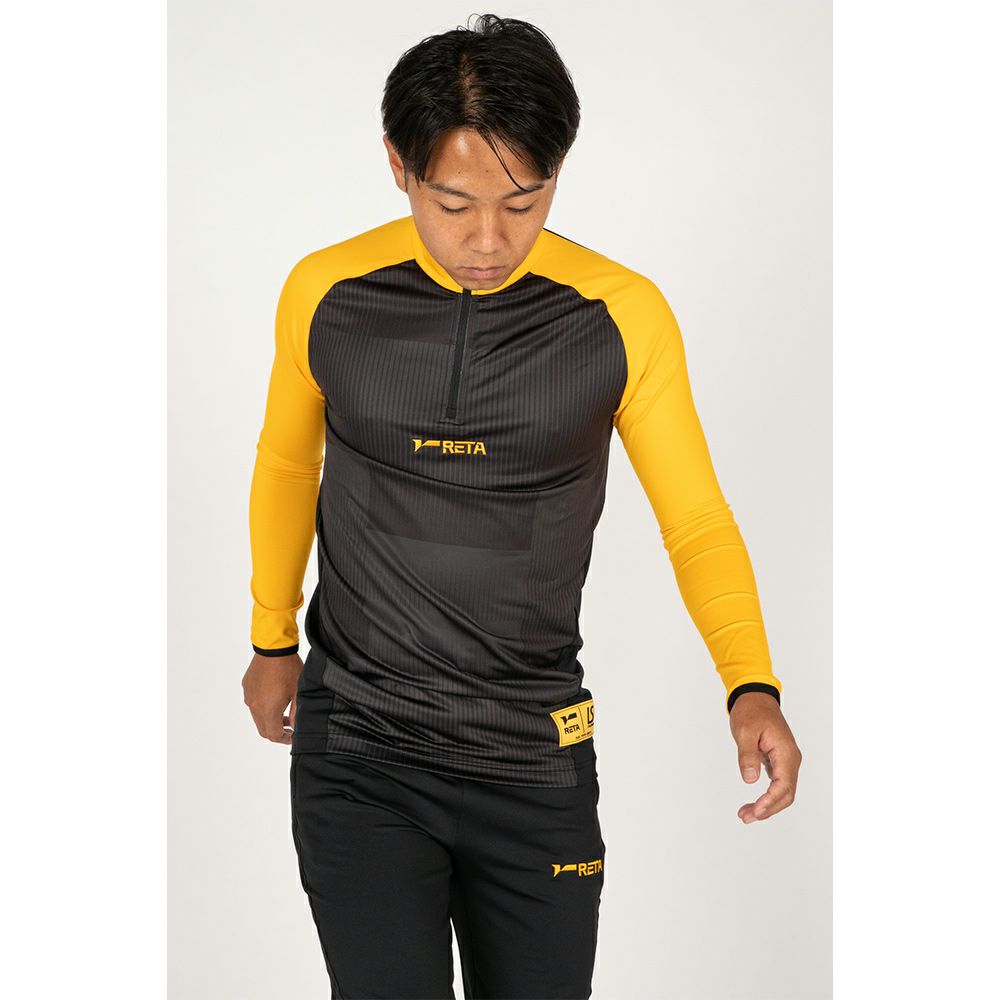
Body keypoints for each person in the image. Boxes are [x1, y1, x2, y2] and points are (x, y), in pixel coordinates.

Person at [242, 13, 803, 999]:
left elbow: (696, 520)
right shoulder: (327, 293)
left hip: (533, 758)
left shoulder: (618, 316)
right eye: (453, 203)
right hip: (361, 744)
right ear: (398, 167)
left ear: (557, 174)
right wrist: (271, 635)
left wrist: (749, 682)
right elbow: (289, 464)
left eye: (524, 201)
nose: (488, 240)